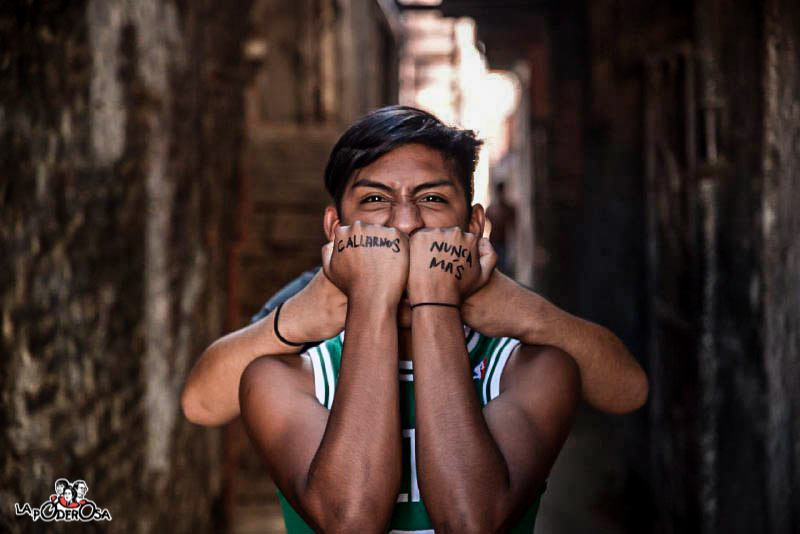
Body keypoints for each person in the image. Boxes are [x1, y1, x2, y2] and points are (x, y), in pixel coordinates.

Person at [182, 106, 648, 532]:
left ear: (473, 225)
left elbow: (471, 522)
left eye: (432, 199)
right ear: (334, 228)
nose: (405, 223)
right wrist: (355, 303)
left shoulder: (529, 366)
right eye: (374, 199)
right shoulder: (289, 369)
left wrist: (449, 301)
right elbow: (349, 521)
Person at [485, 181, 516, 274]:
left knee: (502, 268)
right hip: (495, 241)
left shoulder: (507, 209)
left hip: (503, 243)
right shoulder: (493, 209)